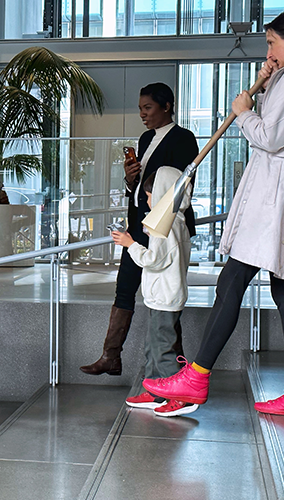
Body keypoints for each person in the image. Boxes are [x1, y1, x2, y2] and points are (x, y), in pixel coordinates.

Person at [144, 7, 284, 419]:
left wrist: (244, 112)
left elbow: (271, 136)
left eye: (273, 42)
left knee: (235, 277)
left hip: (280, 200)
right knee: (283, 288)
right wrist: (271, 82)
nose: (270, 51)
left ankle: (197, 375)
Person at [81, 82, 198, 376]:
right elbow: (142, 189)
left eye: (148, 108)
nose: (143, 114)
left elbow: (178, 187)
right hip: (139, 225)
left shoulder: (184, 138)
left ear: (167, 106)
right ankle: (111, 356)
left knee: (166, 295)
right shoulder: (145, 139)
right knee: (126, 288)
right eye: (140, 109)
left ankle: (174, 368)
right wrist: (130, 178)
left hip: (163, 227)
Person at [112, 169, 197, 417]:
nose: (147, 201)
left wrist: (130, 245)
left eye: (149, 196)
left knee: (162, 349)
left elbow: (154, 260)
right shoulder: (176, 222)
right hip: (165, 295)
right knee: (154, 346)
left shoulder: (165, 226)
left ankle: (181, 396)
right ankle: (156, 390)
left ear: (161, 195)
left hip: (164, 297)